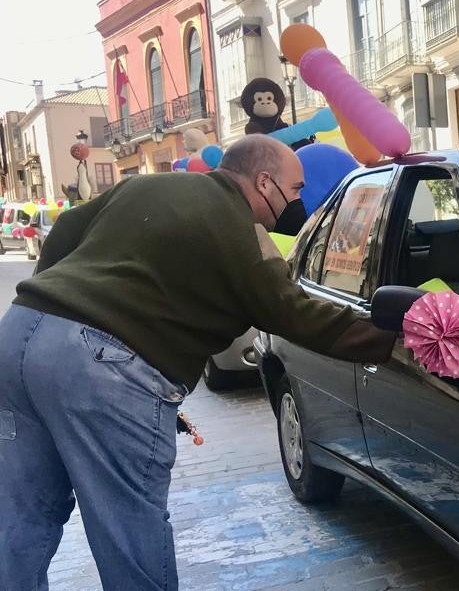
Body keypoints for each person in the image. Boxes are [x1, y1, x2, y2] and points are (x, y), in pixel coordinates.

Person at [0, 135, 395, 590]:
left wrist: (57, 298)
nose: (299, 199)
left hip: (21, 335)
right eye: (297, 188)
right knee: (128, 529)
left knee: (24, 513)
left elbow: (68, 225)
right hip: (102, 365)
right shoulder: (240, 228)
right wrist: (395, 338)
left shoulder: (148, 186)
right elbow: (293, 314)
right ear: (264, 183)